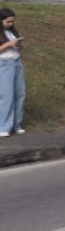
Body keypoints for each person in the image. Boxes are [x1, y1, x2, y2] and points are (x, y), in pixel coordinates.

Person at [0, 8, 23, 136]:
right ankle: (4, 126)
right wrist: (8, 45)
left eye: (12, 22)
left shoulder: (11, 32)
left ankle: (16, 124)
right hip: (4, 64)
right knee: (6, 96)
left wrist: (18, 44)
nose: (10, 24)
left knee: (19, 94)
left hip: (16, 62)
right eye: (8, 22)